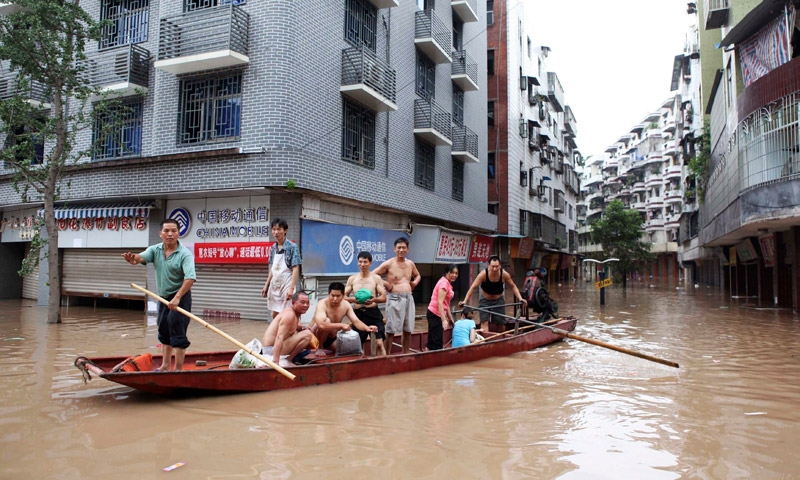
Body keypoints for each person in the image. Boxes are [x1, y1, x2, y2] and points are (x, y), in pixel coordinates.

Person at [122, 219, 196, 372]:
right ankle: (165, 365)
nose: (170, 234)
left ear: (178, 233)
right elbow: (140, 258)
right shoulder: (155, 250)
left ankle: (178, 370)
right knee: (164, 329)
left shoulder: (184, 254)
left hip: (180, 297)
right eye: (166, 231)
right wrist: (132, 259)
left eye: (173, 231)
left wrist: (177, 298)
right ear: (160, 234)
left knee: (178, 331)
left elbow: (190, 278)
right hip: (163, 298)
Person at [373, 237, 420, 354]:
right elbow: (373, 275)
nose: (401, 250)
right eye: (399, 248)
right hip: (394, 298)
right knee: (390, 330)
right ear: (394, 249)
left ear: (408, 249)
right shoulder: (389, 263)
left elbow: (418, 275)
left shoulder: (410, 264)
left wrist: (414, 283)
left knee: (408, 329)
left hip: (409, 298)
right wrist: (386, 284)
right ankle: (386, 356)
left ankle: (405, 354)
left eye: (404, 248)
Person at [458, 255, 524, 334]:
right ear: (488, 265)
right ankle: (486, 341)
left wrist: (520, 298)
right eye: (493, 266)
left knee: (501, 323)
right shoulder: (483, 274)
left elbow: (513, 286)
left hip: (498, 301)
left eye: (497, 266)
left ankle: (500, 340)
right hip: (485, 301)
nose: (495, 269)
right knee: (484, 322)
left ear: (500, 266)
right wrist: (465, 301)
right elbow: (473, 287)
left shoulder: (504, 274)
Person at [309, 282, 379, 355]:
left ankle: (326, 347)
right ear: (328, 294)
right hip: (315, 338)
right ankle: (320, 347)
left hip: (331, 337)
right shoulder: (322, 303)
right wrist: (341, 325)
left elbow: (356, 321)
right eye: (332, 295)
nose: (335, 299)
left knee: (349, 351)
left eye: (338, 296)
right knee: (327, 320)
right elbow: (321, 325)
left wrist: (367, 328)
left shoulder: (346, 305)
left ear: (342, 295)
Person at [345, 251, 388, 356]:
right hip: (358, 314)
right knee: (359, 345)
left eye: (365, 262)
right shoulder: (352, 279)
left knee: (379, 343)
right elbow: (343, 297)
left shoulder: (376, 278)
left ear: (370, 263)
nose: (362, 264)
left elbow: (384, 297)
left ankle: (384, 366)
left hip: (373, 313)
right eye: (360, 262)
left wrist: (374, 300)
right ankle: (362, 367)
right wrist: (353, 300)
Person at [261, 218, 301, 320]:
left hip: (287, 283)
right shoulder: (273, 248)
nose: (276, 232)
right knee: (274, 314)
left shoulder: (292, 247)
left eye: (279, 229)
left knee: (287, 313)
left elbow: (296, 268)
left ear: (285, 230)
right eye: (274, 229)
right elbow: (273, 268)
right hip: (275, 284)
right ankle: (279, 334)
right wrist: (266, 285)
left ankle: (290, 332)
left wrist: (291, 288)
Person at [262, 291, 313, 366]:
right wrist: (276, 362)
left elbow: (292, 328)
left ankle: (289, 359)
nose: (305, 305)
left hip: (273, 348)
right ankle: (289, 360)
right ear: (293, 302)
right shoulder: (290, 315)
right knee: (308, 334)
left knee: (305, 332)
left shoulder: (295, 314)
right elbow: (279, 337)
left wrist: (302, 328)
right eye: (302, 302)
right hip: (270, 350)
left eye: (307, 303)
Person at [426, 264, 458, 351]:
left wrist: (450, 318)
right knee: (437, 342)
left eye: (456, 273)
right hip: (435, 314)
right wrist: (444, 320)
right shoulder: (444, 283)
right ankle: (436, 362)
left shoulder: (448, 283)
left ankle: (428, 359)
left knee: (432, 341)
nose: (454, 275)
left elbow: (446, 304)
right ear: (447, 273)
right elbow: (440, 302)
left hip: (435, 313)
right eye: (452, 273)